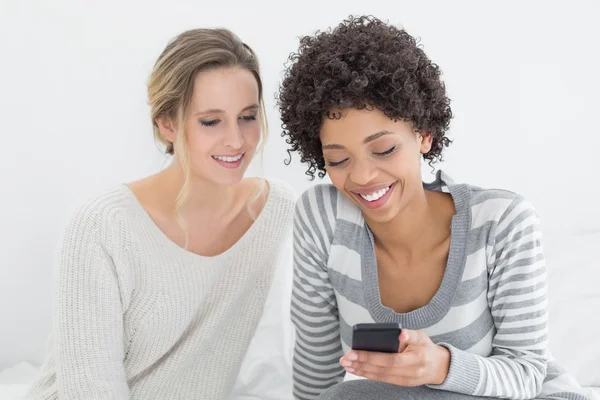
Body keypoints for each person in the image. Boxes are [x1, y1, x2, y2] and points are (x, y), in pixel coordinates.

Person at [277, 15, 596, 400]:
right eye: (338, 160)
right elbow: (318, 369)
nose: (362, 177)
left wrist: (440, 366)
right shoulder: (323, 218)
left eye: (384, 149)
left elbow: (526, 373)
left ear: (424, 134)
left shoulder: (501, 222)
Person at [26, 28, 295, 399]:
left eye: (247, 116)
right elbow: (90, 389)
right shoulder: (102, 226)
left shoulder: (279, 212)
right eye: (211, 121)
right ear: (167, 123)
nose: (236, 140)